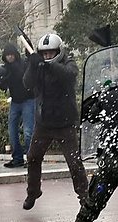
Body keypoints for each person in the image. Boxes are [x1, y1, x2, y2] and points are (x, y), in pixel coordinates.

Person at [22, 33, 88, 210]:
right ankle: (33, 191)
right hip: (43, 123)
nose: (47, 56)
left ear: (58, 51)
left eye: (51, 53)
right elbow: (27, 83)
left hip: (64, 123)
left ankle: (84, 195)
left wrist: (48, 65)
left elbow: (69, 75)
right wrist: (32, 65)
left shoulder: (68, 61)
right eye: (44, 53)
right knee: (33, 157)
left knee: (74, 162)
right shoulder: (39, 64)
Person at [58, 82, 118, 222]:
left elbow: (86, 114)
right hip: (111, 161)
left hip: (111, 162)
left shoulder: (111, 93)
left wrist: (101, 96)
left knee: (90, 208)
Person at [0, 43, 35, 168]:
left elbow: (22, 75)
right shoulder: (6, 68)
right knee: (12, 131)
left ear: (15, 55)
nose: (10, 57)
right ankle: (17, 157)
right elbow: (4, 85)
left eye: (11, 55)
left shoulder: (22, 64)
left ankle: (31, 158)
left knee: (28, 132)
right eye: (7, 55)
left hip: (28, 100)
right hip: (15, 101)